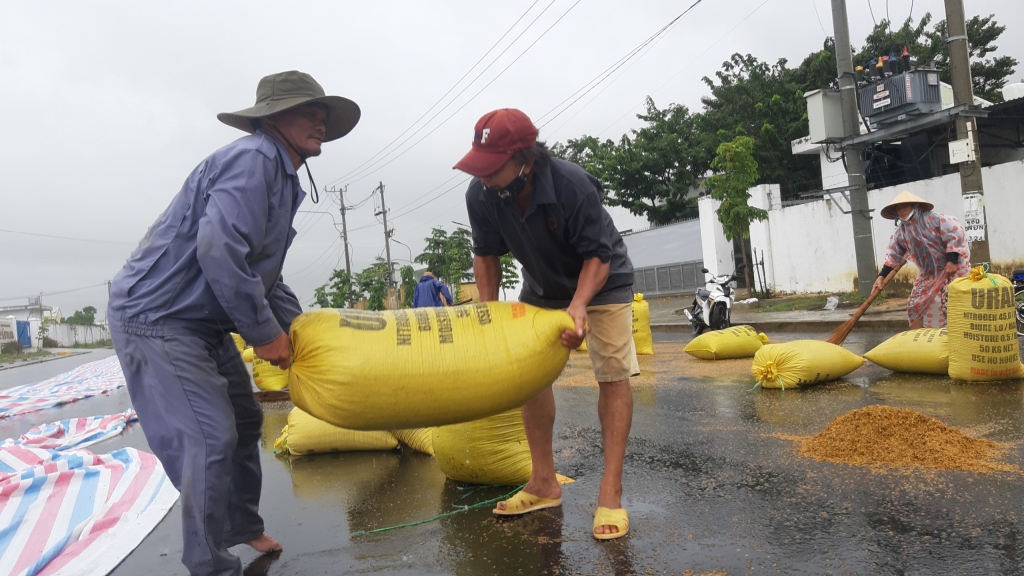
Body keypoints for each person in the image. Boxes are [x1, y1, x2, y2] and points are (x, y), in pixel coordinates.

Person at [107, 71, 360, 576]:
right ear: (272, 119)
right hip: (157, 317)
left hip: (201, 322)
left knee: (245, 421)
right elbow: (220, 252)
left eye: (322, 112)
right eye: (307, 109)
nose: (320, 119)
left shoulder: (283, 176)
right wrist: (265, 334)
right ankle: (209, 563)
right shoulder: (253, 160)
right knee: (208, 437)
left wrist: (305, 332)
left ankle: (240, 526)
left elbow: (263, 275)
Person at [454, 108, 637, 540]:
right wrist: (488, 313)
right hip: (540, 285)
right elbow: (486, 255)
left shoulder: (572, 185)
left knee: (612, 373)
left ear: (526, 160)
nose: (484, 177)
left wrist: (578, 307)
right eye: (481, 166)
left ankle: (610, 492)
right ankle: (543, 482)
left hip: (602, 279)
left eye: (493, 167)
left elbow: (599, 254)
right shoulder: (480, 195)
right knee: (530, 375)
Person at [874, 190, 970, 328]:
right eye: (898, 208)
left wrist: (952, 260)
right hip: (928, 273)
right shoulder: (901, 232)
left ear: (915, 206)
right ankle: (917, 340)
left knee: (951, 304)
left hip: (952, 269)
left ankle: (956, 337)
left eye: (904, 206)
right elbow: (894, 254)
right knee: (914, 305)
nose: (901, 211)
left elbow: (954, 234)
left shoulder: (935, 220)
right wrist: (882, 276)